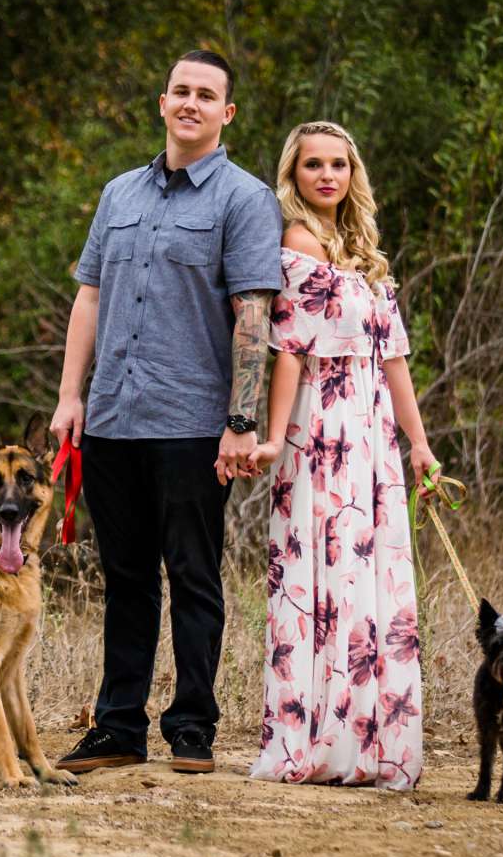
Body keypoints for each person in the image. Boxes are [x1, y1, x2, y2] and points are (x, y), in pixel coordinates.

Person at [50, 49, 284, 776]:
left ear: (226, 113)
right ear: (162, 103)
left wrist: (240, 420)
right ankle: (119, 727)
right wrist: (70, 395)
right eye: (180, 91)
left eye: (205, 94)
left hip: (191, 424)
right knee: (124, 579)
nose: (191, 103)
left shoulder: (243, 200)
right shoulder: (119, 194)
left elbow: (254, 314)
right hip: (115, 418)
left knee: (193, 574)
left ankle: (193, 727)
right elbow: (89, 295)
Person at [245, 120, 439, 790]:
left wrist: (419, 445)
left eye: (338, 165)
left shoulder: (364, 251)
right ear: (293, 176)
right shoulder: (296, 243)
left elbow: (396, 360)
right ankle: (321, 736)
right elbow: (292, 352)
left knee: (371, 576)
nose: (326, 175)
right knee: (322, 573)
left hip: (374, 431)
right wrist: (273, 438)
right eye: (312, 166)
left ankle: (369, 738)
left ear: (353, 174)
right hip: (323, 429)